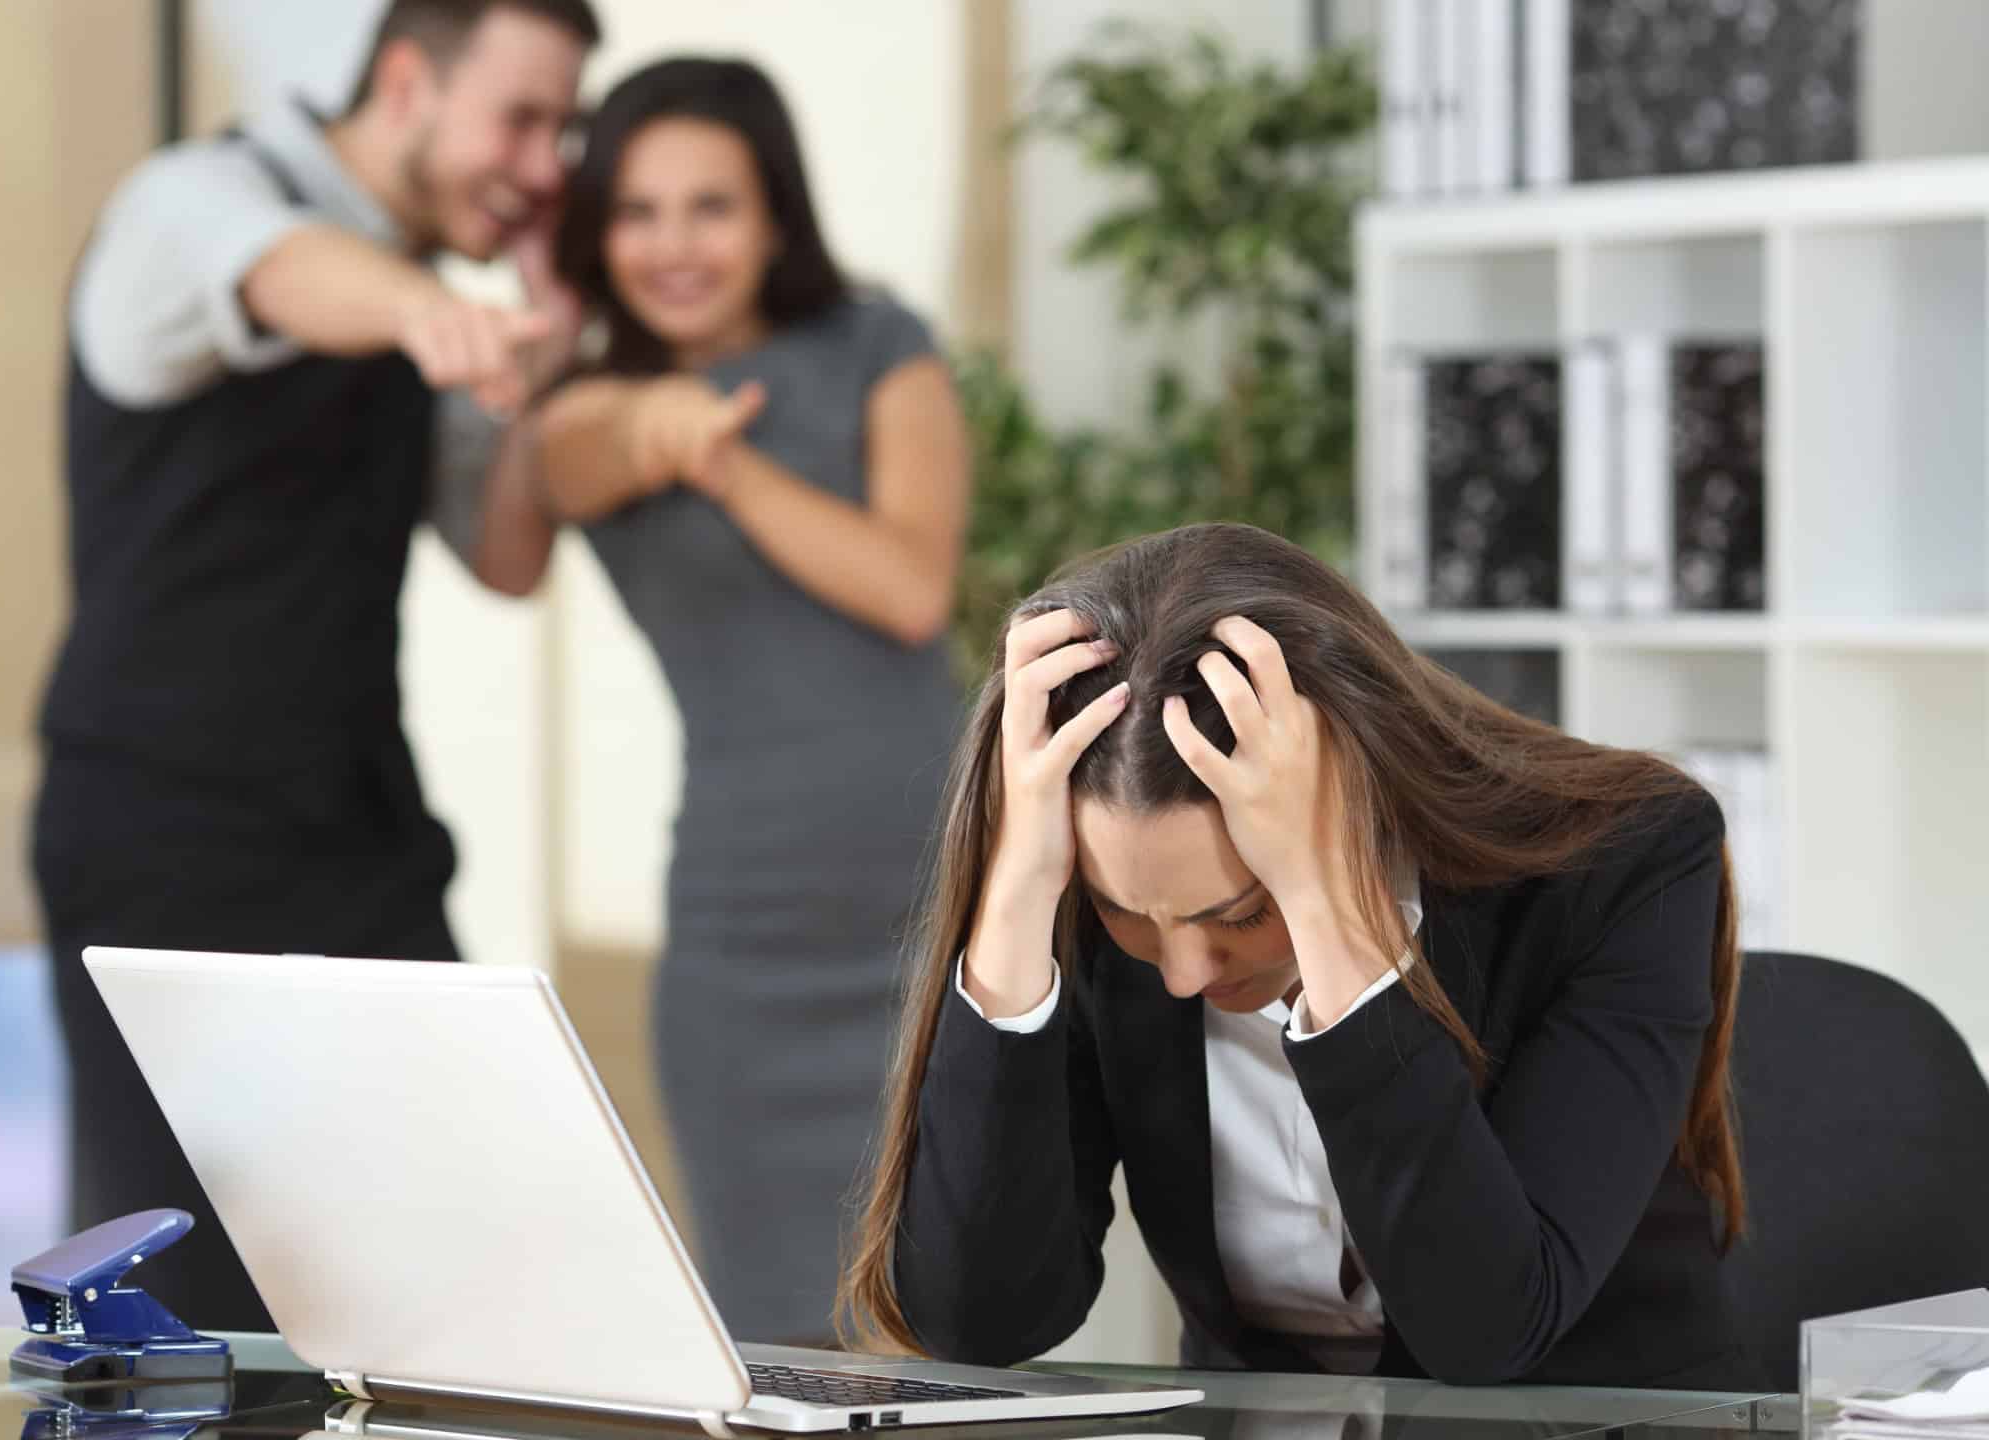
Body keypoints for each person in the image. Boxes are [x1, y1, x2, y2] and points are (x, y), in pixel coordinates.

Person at [841, 522, 1748, 1388]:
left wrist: (1324, 900)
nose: (1185, 972)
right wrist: (1014, 899)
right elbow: (979, 1323)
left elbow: (1489, 1330)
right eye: (1131, 916)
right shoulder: (1085, 906)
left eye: (1239, 914)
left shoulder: (1629, 860)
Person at [32, 0, 598, 1332]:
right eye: (520, 119)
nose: (544, 166)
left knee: (485, 1254)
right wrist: (422, 308)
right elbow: (280, 272)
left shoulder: (427, 310)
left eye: (562, 128)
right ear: (405, 82)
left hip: (358, 837)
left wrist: (549, 347)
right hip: (155, 839)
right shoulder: (191, 203)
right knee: (188, 1312)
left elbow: (506, 557)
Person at [515, 57, 972, 1345]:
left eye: (709, 206)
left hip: (936, 915)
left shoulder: (884, 347)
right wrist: (654, 410)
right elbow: (567, 464)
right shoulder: (586, 412)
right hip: (743, 941)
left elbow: (907, 587)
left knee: (953, 1319)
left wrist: (720, 463)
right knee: (770, 1333)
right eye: (637, 211)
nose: (673, 244)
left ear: (774, 213)